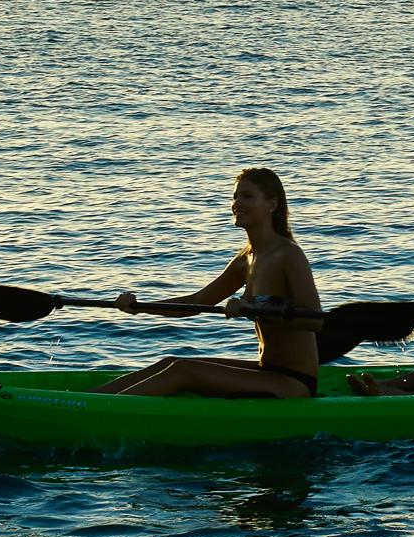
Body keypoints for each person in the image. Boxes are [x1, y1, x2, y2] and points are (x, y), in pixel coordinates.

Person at [103, 165, 331, 398]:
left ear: (271, 205)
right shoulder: (245, 259)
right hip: (267, 371)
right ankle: (90, 399)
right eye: (235, 196)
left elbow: (315, 320)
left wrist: (254, 308)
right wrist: (139, 307)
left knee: (183, 371)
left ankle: (101, 411)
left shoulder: (288, 254)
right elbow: (196, 302)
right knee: (170, 362)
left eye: (247, 196)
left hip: (293, 382)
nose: (237, 203)